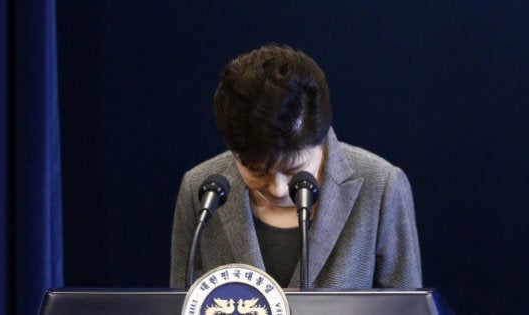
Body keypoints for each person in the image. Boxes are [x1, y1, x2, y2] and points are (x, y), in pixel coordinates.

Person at [170, 44, 421, 289]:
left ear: (320, 139)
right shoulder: (201, 189)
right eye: (257, 172)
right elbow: (178, 304)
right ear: (234, 150)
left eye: (293, 170)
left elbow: (409, 307)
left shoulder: (381, 185)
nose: (278, 189)